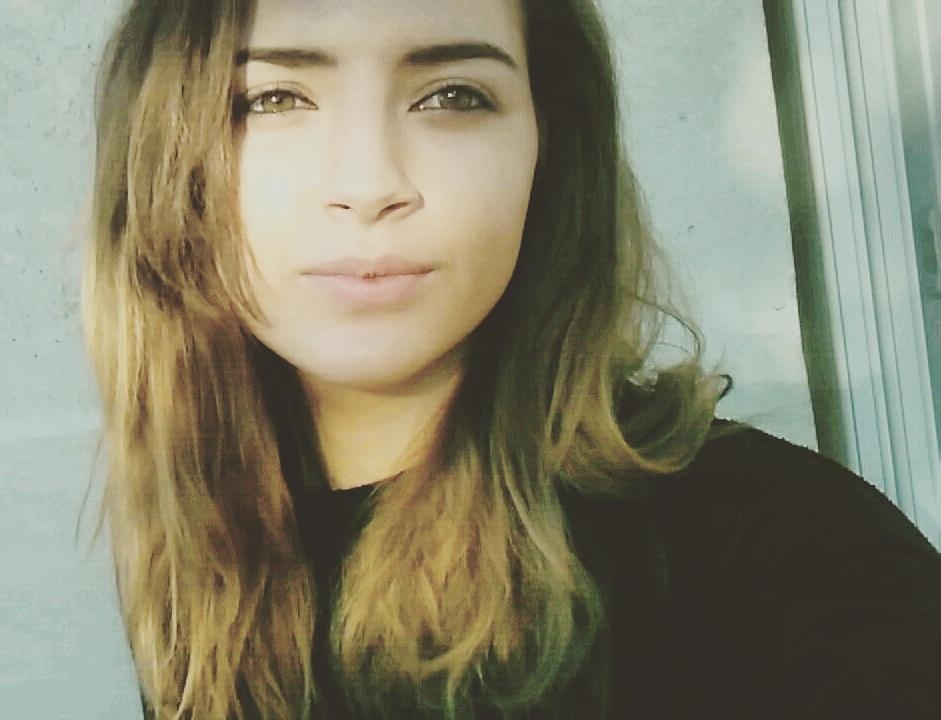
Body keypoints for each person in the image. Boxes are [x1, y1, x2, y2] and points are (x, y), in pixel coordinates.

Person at [82, 0, 941, 718]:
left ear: (548, 149)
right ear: (160, 162)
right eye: (271, 99)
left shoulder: (789, 562)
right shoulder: (212, 557)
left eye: (452, 95)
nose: (369, 183)